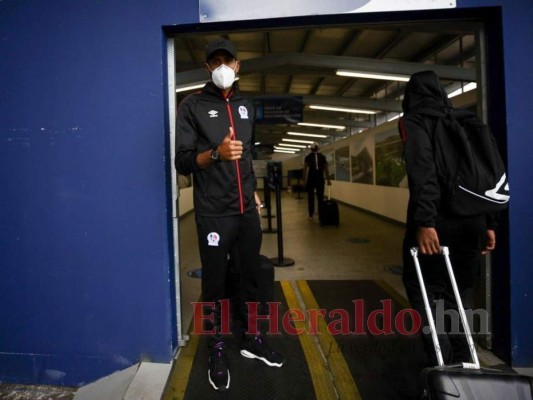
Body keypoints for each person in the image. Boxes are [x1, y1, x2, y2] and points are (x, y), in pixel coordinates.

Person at [175, 38, 285, 391]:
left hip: (245, 211)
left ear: (238, 65)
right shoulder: (191, 105)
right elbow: (183, 161)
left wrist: (249, 188)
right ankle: (217, 346)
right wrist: (217, 155)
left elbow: (247, 155)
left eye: (228, 60)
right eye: (215, 61)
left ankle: (252, 338)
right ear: (208, 67)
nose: (222, 66)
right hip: (214, 213)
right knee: (215, 283)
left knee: (250, 277)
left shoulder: (245, 105)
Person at [398, 70, 497, 367]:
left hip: (439, 225)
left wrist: (425, 222)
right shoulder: (465, 122)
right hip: (474, 222)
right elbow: (486, 173)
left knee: (425, 294)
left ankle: (443, 370)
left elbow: (423, 171)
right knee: (459, 296)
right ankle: (465, 368)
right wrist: (490, 223)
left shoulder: (415, 121)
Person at [303, 142, 331, 219]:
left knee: (310, 197)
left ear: (311, 149)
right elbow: (326, 169)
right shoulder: (322, 157)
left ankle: (311, 215)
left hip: (311, 179)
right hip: (320, 179)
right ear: (318, 148)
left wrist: (304, 180)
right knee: (320, 197)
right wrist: (328, 180)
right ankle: (320, 214)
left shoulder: (308, 157)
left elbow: (305, 169)